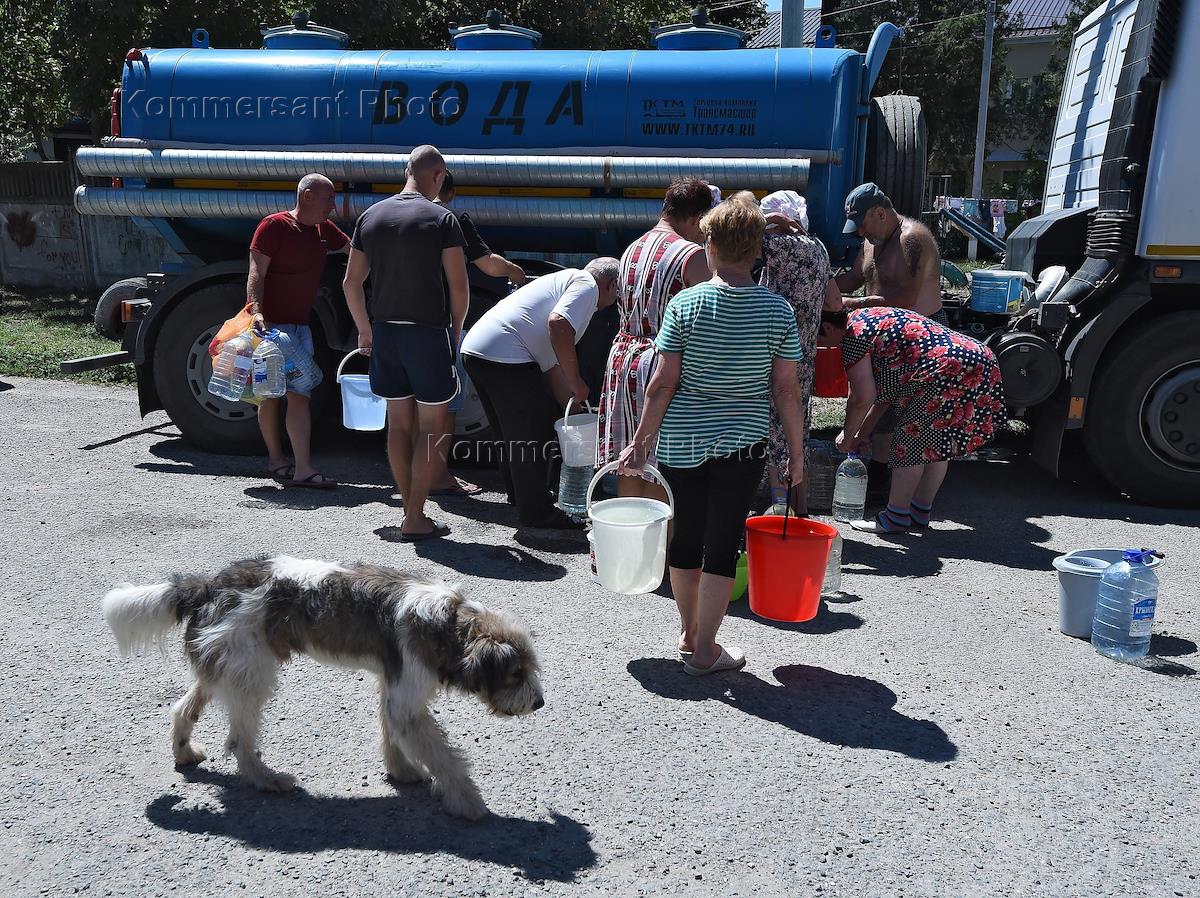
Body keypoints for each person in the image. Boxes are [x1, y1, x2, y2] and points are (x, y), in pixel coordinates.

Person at [618, 194, 806, 676]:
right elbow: (787, 391)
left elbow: (663, 383)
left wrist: (639, 443)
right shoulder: (777, 312)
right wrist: (797, 455)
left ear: (711, 246)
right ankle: (706, 650)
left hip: (682, 440)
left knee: (686, 539)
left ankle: (688, 633)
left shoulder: (686, 304)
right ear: (758, 251)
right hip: (742, 445)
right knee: (722, 544)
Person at [343, 145, 469, 542]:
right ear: (438, 176)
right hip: (428, 333)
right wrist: (457, 327)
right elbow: (459, 285)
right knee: (431, 428)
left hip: (387, 334)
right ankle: (415, 517)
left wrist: (365, 329)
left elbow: (351, 283)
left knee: (398, 426)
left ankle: (407, 512)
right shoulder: (442, 219)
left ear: (406, 171)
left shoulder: (371, 216)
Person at [461, 259, 622, 529]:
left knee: (509, 434)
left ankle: (522, 497)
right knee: (533, 432)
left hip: (477, 352)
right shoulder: (587, 286)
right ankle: (538, 513)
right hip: (505, 357)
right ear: (612, 284)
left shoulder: (565, 282)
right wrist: (576, 379)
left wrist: (575, 407)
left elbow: (551, 367)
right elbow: (559, 324)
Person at [818, 306, 1005, 533]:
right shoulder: (869, 315)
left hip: (945, 367)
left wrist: (847, 435)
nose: (828, 347)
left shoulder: (853, 336)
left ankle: (896, 516)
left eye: (821, 338)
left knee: (909, 442)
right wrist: (862, 433)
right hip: (977, 357)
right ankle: (919, 511)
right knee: (937, 442)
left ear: (828, 327)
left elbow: (861, 396)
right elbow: (882, 396)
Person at [598, 177, 713, 503]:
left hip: (623, 359)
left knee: (630, 465)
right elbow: (704, 319)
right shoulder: (690, 255)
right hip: (663, 363)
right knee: (661, 469)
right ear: (697, 218)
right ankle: (658, 553)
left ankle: (626, 546)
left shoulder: (633, 246)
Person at [834, 182, 947, 498]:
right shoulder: (872, 241)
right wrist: (823, 287)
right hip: (885, 333)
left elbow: (905, 298)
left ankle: (905, 491)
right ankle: (881, 477)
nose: (859, 234)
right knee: (878, 407)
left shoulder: (913, 239)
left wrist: (855, 304)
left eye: (862, 224)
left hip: (920, 334)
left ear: (880, 213)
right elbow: (856, 277)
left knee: (907, 414)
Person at [426, 171, 528, 498]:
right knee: (445, 407)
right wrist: (514, 270)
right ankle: (438, 476)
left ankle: (416, 473)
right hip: (442, 325)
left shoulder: (402, 215)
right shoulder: (451, 218)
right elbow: (485, 264)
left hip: (405, 322)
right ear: (451, 192)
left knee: (411, 406)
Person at [246, 173, 348, 489]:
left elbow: (353, 251)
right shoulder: (274, 226)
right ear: (306, 196)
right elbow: (255, 273)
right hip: (271, 330)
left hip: (300, 331)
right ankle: (276, 460)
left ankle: (303, 468)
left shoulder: (322, 230)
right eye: (328, 198)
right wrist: (257, 311)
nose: (333, 205)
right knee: (269, 397)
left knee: (300, 396)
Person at [753, 189, 841, 513]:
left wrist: (767, 222)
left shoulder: (778, 244)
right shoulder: (818, 248)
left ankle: (780, 514)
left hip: (774, 354)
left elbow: (733, 234)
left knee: (777, 433)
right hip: (804, 354)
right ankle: (798, 509)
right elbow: (835, 302)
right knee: (796, 433)